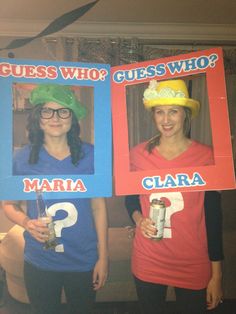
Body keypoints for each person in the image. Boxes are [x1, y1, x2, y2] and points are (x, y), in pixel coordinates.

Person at [3, 84, 108, 314]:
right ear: (38, 118)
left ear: (73, 118)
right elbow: (8, 205)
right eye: (47, 111)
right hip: (40, 260)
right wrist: (26, 223)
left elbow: (99, 208)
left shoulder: (92, 155)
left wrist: (104, 257)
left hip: (83, 259)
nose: (55, 117)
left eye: (63, 111)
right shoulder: (21, 158)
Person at [125, 79, 223, 314]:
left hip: (192, 260)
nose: (166, 119)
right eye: (160, 112)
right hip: (148, 257)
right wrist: (139, 220)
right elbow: (129, 199)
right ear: (153, 115)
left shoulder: (207, 156)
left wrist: (216, 274)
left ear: (185, 114)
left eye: (173, 112)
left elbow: (213, 217)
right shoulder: (138, 154)